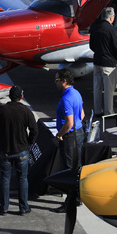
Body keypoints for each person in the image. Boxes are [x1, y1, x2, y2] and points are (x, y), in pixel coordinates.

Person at [0, 85, 38, 216]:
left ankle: (4, 208)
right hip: (21, 150)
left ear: (9, 96)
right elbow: (34, 130)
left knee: (5, 179)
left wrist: (1, 143)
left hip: (5, 150)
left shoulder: (2, 110)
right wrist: (28, 142)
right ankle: (23, 207)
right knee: (22, 179)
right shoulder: (25, 111)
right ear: (21, 97)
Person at [52, 68, 85, 214]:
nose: (56, 83)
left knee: (69, 170)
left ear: (64, 81)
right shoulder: (76, 93)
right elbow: (82, 115)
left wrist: (59, 134)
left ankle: (69, 202)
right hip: (79, 133)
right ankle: (77, 197)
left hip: (70, 136)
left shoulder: (66, 99)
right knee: (77, 168)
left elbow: (69, 123)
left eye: (57, 80)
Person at [89, 6, 117, 116]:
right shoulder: (112, 30)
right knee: (108, 90)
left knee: (97, 88)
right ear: (111, 17)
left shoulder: (95, 27)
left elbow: (92, 46)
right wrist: (116, 58)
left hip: (97, 61)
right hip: (108, 63)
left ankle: (97, 110)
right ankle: (108, 112)